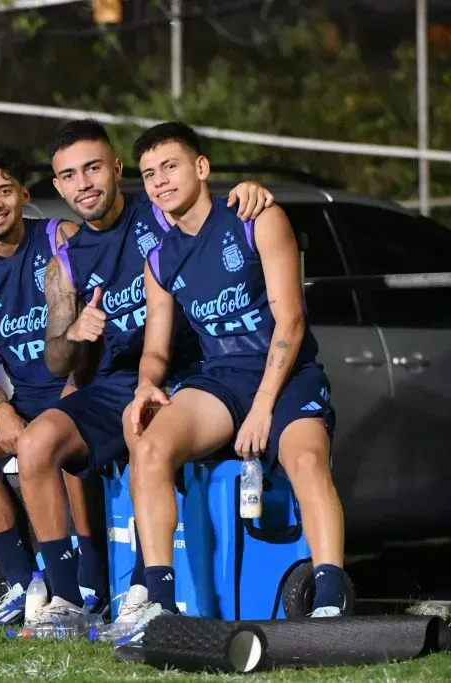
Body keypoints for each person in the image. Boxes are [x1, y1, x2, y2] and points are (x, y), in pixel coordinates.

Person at [13, 119, 275, 630]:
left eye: (92, 168)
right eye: (68, 176)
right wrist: (75, 333)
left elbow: (214, 211)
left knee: (148, 429)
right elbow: (54, 362)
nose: (83, 184)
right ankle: (67, 603)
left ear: (116, 168)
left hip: (195, 373)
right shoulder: (64, 260)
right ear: (58, 185)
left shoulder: (157, 211)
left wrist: (249, 191)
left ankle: (141, 588)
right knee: (35, 444)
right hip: (117, 382)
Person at [120, 121, 343, 642]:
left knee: (306, 459)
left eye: (170, 166)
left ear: (201, 167)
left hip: (286, 375)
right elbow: (155, 348)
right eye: (150, 174)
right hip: (220, 381)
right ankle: (159, 602)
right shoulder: (160, 258)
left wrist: (264, 407)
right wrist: (146, 384)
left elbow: (290, 322)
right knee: (149, 446)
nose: (160, 181)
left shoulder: (255, 219)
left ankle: (331, 599)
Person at [0, 146, 110, 626]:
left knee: (58, 436)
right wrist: (1, 411)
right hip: (24, 402)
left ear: (23, 194)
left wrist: (72, 390)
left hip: (82, 388)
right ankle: (25, 583)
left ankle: (90, 581)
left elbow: (95, 330)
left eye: (3, 191)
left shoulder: (60, 238)